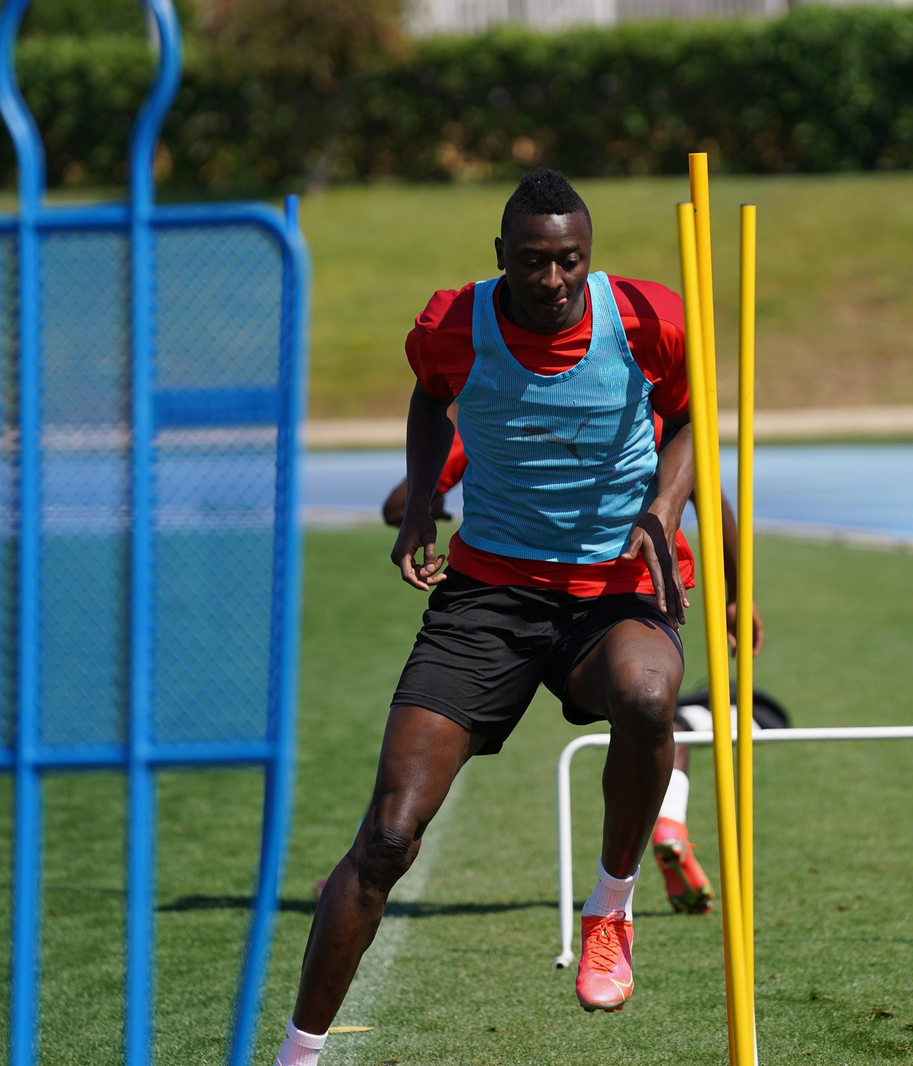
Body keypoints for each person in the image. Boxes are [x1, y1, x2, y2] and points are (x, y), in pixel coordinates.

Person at [274, 167, 732, 1066]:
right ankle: (297, 1055)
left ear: (589, 256)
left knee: (649, 696)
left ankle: (610, 909)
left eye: (570, 261)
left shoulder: (650, 318)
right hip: (489, 597)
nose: (553, 280)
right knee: (387, 838)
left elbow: (695, 419)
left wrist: (665, 507)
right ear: (501, 257)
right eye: (533, 262)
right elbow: (429, 396)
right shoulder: (452, 325)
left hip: (613, 589)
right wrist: (419, 505)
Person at [377, 432, 765, 916]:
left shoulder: (486, 410)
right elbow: (705, 488)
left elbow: (397, 505)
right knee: (650, 713)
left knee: (425, 751)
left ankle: (375, 856)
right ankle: (663, 826)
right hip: (614, 604)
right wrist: (735, 592)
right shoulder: (639, 405)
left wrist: (429, 505)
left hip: (501, 606)